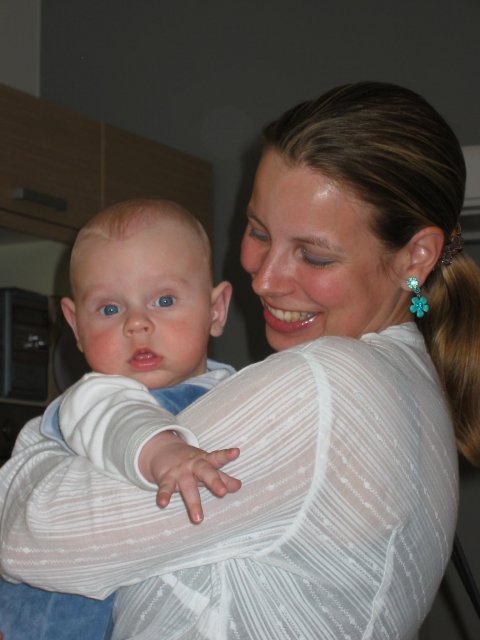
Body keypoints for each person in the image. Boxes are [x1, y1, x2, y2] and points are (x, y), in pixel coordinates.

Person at [1, 81, 480, 640]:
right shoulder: (411, 382)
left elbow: (27, 543)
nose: (265, 278)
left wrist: (48, 435)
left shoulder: (327, 385)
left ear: (416, 257)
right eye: (258, 231)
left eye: (313, 255)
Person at [0, 198, 240, 639]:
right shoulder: (93, 396)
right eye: (110, 309)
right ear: (76, 325)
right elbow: (119, 419)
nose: (137, 323)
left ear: (216, 310)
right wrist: (165, 452)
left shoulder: (238, 393)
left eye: (164, 300)